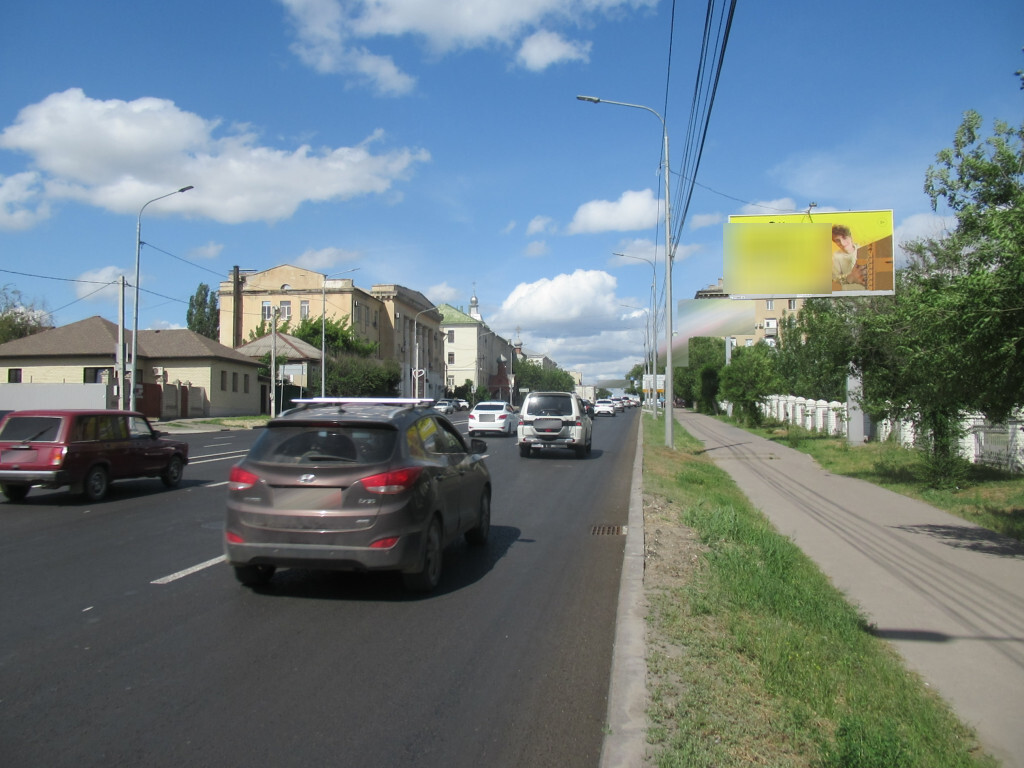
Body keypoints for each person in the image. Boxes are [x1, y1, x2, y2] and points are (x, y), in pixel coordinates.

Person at [832, 224, 866, 289]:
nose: (842, 243)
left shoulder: (864, 250)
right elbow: (833, 281)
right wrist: (850, 277)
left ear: (850, 236)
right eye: (837, 241)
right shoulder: (835, 257)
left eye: (844, 238)